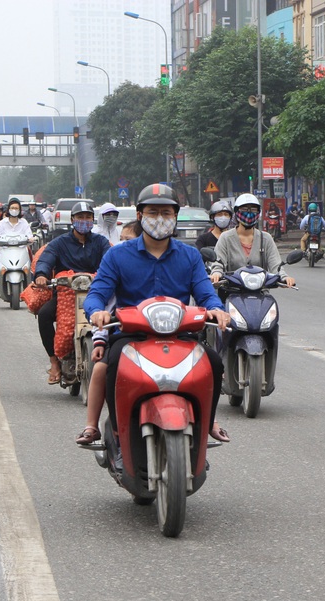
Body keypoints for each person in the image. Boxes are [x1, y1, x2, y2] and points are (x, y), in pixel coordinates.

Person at [81, 183, 231, 444]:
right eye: (152, 212)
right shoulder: (117, 256)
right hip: (131, 335)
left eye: (166, 212)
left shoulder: (190, 256)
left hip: (181, 336)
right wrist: (96, 312)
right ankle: (116, 436)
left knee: (214, 364)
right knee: (109, 367)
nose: (159, 218)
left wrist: (217, 310)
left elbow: (205, 292)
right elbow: (98, 293)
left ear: (175, 217)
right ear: (140, 216)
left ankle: (208, 423)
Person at [76, 221, 141, 444]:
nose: (123, 245)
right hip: (125, 336)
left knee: (207, 363)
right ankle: (94, 426)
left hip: (167, 338)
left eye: (129, 240)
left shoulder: (182, 258)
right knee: (103, 368)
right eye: (121, 240)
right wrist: (100, 342)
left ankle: (206, 425)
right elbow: (102, 305)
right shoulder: (116, 262)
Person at [33, 201, 111, 384]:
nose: (84, 221)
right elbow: (46, 259)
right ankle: (54, 362)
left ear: (93, 220)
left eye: (88, 217)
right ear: (72, 220)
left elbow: (111, 260)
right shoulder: (60, 243)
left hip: (96, 293)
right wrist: (42, 275)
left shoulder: (101, 242)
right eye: (80, 217)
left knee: (116, 318)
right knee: (44, 315)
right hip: (64, 294)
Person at [208, 193, 295, 287]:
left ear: (258, 213)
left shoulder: (266, 238)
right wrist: (217, 273)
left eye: (253, 210)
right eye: (244, 209)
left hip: (261, 293)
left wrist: (284, 277)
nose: (249, 213)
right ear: (237, 212)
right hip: (231, 292)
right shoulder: (226, 238)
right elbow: (218, 263)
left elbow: (276, 266)